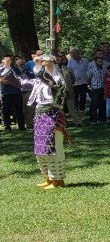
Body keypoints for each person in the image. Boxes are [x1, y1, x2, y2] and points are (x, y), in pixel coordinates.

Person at [20, 54, 69, 189]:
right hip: (41, 116)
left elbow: (49, 81)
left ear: (52, 64)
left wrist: (39, 65)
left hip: (53, 116)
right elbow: (24, 82)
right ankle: (48, 178)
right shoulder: (40, 80)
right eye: (41, 62)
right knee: (41, 149)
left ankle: (58, 180)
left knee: (53, 147)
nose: (42, 64)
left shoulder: (58, 79)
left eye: (45, 62)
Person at [1, 56, 27, 131]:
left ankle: (21, 126)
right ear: (3, 61)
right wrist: (13, 81)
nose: (8, 61)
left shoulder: (16, 69)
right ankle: (7, 126)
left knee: (19, 110)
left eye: (9, 60)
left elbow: (20, 80)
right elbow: (3, 81)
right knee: (6, 110)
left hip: (17, 93)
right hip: (6, 93)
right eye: (6, 60)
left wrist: (11, 81)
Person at [67, 48, 90, 112]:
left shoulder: (86, 61)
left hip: (84, 82)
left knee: (83, 96)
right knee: (75, 96)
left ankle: (82, 109)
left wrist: (89, 79)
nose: (73, 55)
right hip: (74, 82)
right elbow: (69, 71)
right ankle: (75, 109)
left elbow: (89, 70)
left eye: (74, 53)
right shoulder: (70, 61)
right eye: (71, 53)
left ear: (78, 53)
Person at [86, 55, 106, 123]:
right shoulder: (91, 70)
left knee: (102, 104)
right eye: (99, 61)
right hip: (95, 89)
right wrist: (89, 87)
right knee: (94, 104)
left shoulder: (103, 70)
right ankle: (93, 119)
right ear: (95, 62)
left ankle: (101, 118)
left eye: (101, 61)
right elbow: (88, 79)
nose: (100, 63)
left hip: (102, 89)